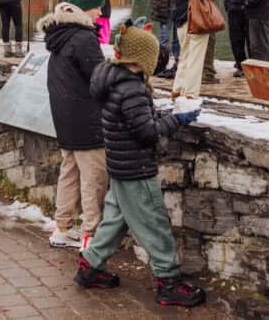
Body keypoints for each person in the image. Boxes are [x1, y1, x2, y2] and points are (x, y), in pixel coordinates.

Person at [76, 20, 205, 308]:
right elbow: (146, 133)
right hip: (136, 169)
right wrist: (179, 119)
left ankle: (89, 268)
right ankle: (168, 282)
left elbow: (135, 121)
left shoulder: (113, 82)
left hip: (120, 166)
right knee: (155, 225)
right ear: (142, 60)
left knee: (113, 222)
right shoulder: (132, 89)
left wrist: (162, 114)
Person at [39, 0, 107, 252]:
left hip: (65, 118)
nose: (100, 14)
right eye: (97, 8)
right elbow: (100, 79)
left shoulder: (60, 34)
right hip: (87, 119)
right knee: (94, 178)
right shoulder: (83, 38)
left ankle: (63, 227)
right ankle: (91, 235)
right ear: (86, 8)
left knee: (69, 173)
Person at [171, 0, 226, 104]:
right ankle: (191, 94)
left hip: (180, 21)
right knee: (196, 59)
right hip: (196, 21)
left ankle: (177, 89)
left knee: (184, 57)